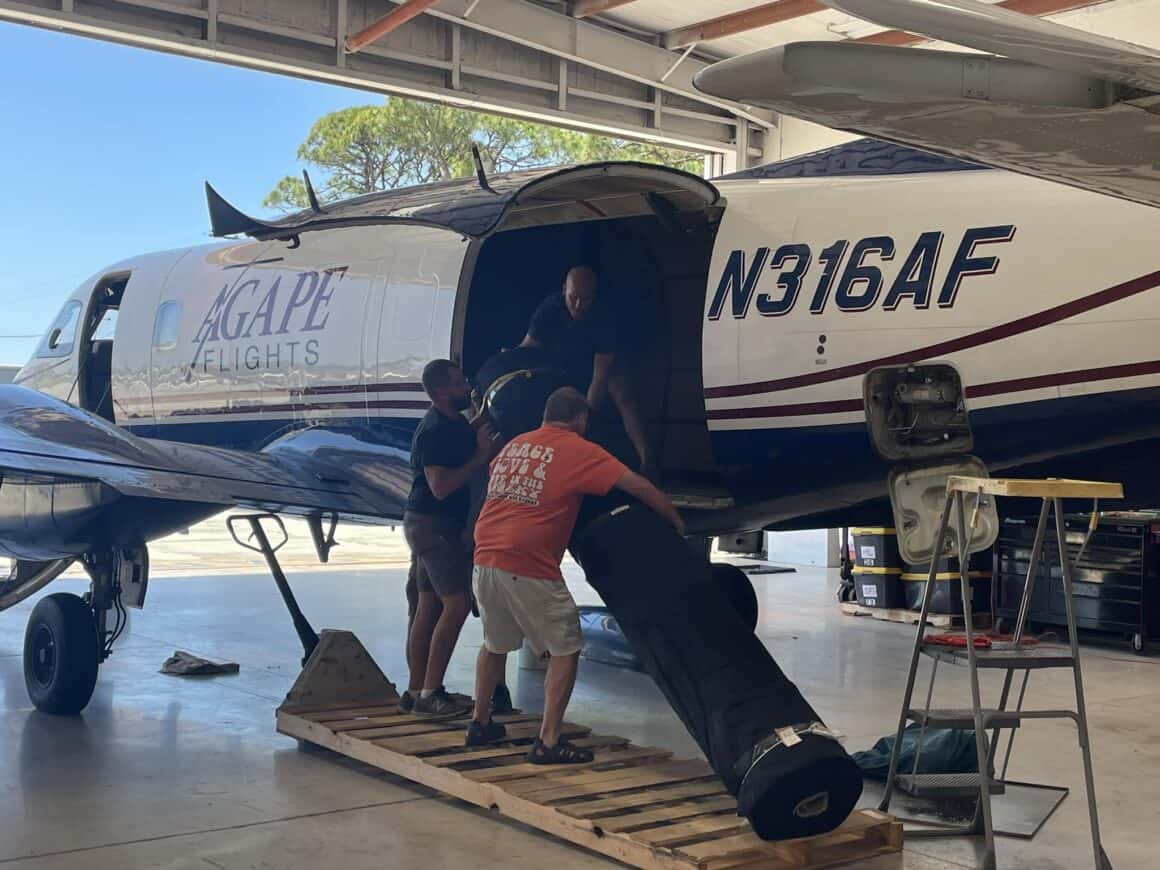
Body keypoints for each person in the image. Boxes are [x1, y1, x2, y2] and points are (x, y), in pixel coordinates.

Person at [466, 387, 684, 761]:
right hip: (528, 561)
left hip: (486, 556)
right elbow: (638, 485)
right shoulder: (578, 449)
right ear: (581, 419)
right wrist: (677, 524)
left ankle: (480, 722)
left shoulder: (516, 445)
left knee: (494, 643)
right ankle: (548, 740)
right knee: (566, 648)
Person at [402, 359, 497, 717]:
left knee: (430, 606)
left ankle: (415, 690)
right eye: (459, 384)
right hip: (433, 526)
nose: (466, 388)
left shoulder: (454, 423)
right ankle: (430, 692)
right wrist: (480, 458)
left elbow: (464, 435)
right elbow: (440, 487)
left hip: (429, 526)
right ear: (441, 392)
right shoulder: (434, 430)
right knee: (456, 605)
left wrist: (481, 426)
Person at [519, 266, 653, 476]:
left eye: (586, 299)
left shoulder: (604, 318)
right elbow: (526, 349)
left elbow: (600, 378)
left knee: (621, 393)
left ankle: (646, 459)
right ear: (564, 290)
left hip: (603, 365)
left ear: (595, 297)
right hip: (563, 362)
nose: (579, 305)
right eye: (573, 298)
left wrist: (583, 426)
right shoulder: (549, 308)